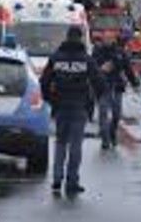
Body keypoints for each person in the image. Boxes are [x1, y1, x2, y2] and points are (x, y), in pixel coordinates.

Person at [40, 26, 104, 197]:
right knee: (75, 145)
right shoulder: (86, 59)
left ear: (67, 37)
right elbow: (100, 82)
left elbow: (44, 82)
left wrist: (51, 100)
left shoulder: (56, 58)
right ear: (80, 38)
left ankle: (56, 179)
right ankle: (72, 181)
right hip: (79, 106)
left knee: (60, 142)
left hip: (60, 106)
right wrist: (95, 100)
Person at [93, 32, 140, 149]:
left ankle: (112, 132)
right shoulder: (97, 51)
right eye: (106, 38)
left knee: (116, 114)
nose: (108, 40)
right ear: (102, 39)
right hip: (102, 86)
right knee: (103, 113)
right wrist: (100, 69)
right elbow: (91, 68)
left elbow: (128, 68)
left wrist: (135, 83)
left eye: (110, 38)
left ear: (114, 39)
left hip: (116, 86)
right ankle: (105, 139)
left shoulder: (119, 52)